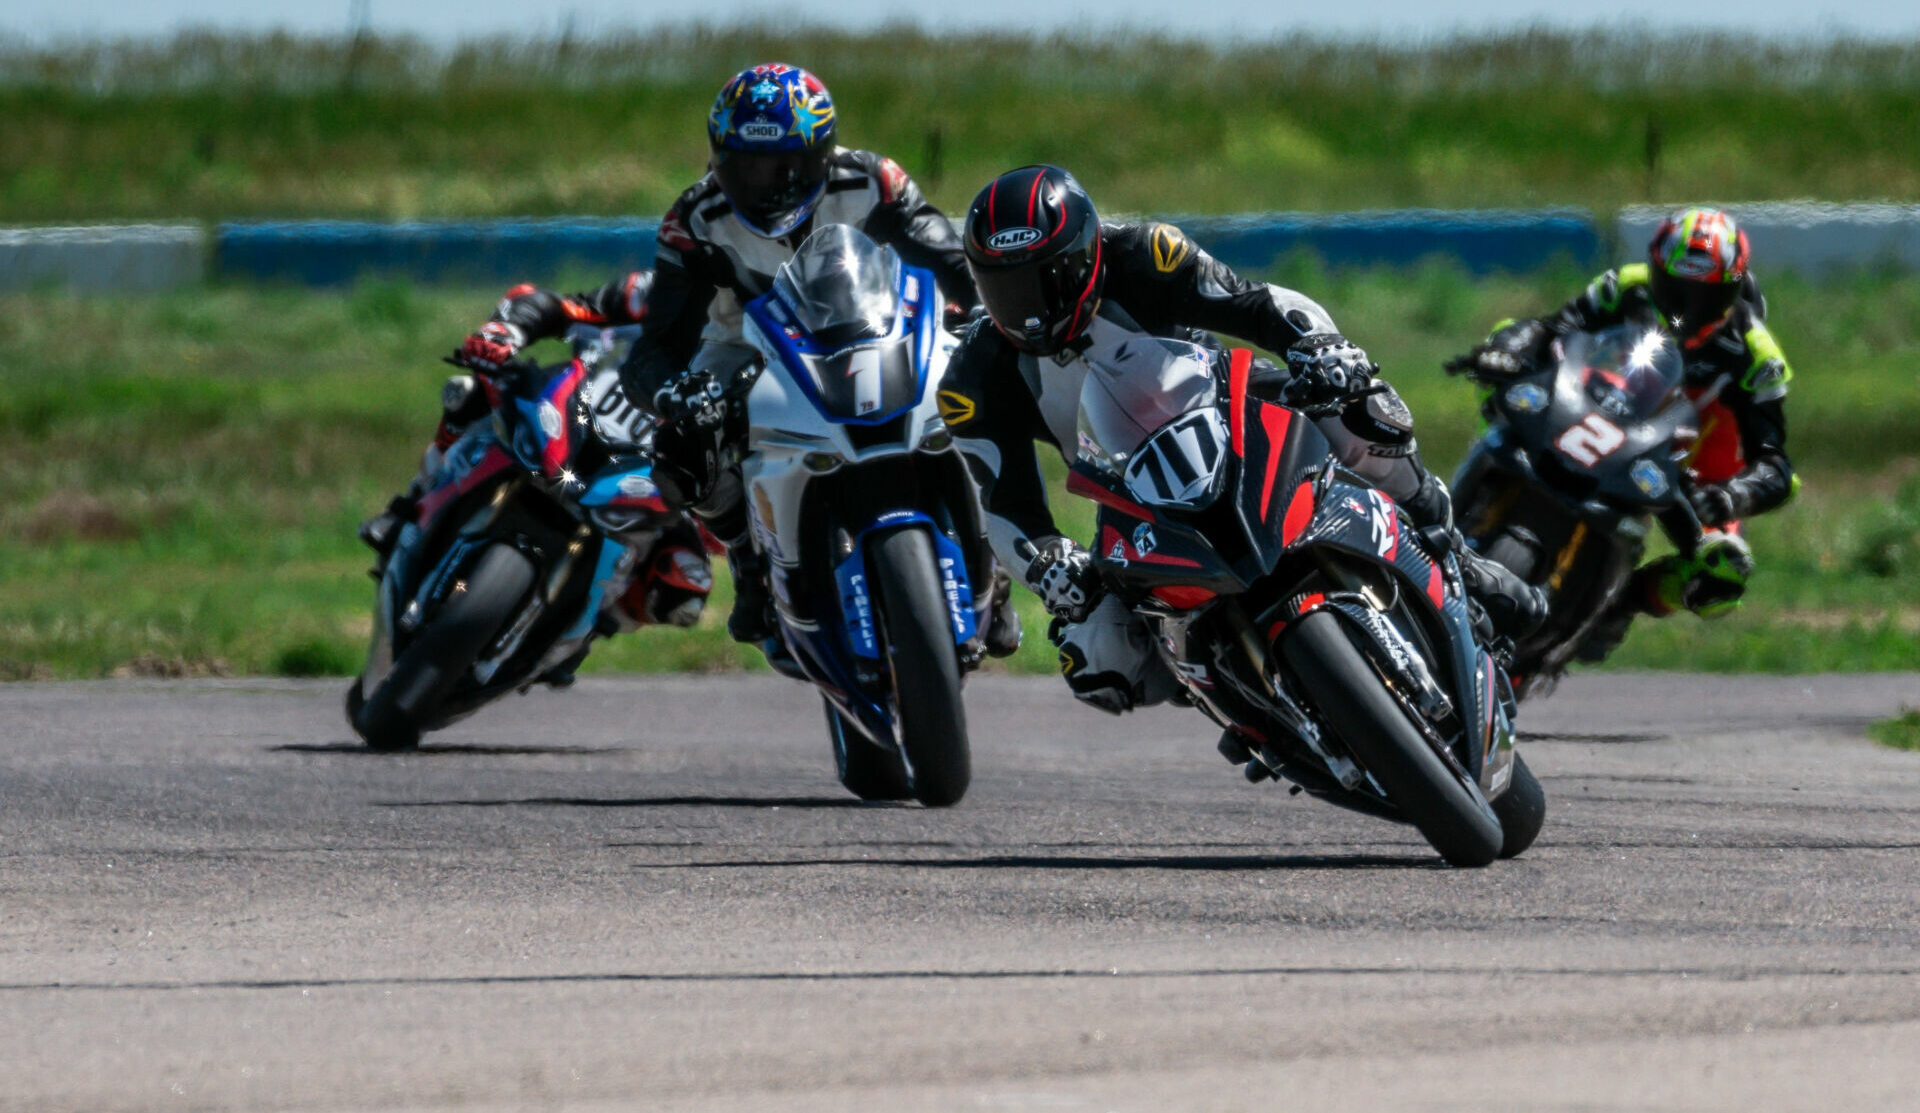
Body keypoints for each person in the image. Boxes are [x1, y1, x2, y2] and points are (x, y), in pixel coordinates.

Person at [940, 164, 1545, 717]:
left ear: (1085, 254)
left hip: (1232, 409)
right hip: (1132, 490)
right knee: (1098, 660)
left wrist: (1321, 348)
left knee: (1364, 415)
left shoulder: (1148, 253)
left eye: (1046, 282)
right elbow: (1003, 505)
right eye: (1006, 290)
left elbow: (1259, 302)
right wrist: (1047, 564)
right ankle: (1242, 704)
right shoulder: (972, 379)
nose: (1030, 311)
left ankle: (1455, 557)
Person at [614, 62, 1018, 657]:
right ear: (718, 156)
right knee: (681, 443)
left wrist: (988, 316)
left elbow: (953, 262)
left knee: (980, 383)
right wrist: (673, 391)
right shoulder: (694, 220)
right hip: (748, 347)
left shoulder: (872, 181)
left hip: (875, 321)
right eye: (744, 165)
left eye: (783, 165)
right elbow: (654, 346)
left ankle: (997, 559)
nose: (762, 182)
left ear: (820, 153)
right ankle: (751, 562)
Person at [1448, 206, 1795, 652]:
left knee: (1724, 572)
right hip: (1608, 408)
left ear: (1730, 292)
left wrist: (1732, 494)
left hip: (1703, 463)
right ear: (1655, 270)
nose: (1685, 311)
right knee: (1506, 353)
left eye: (1703, 297)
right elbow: (1555, 329)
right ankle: (1457, 503)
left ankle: (1622, 605)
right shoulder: (1625, 287)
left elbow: (1777, 468)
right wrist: (1509, 349)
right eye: (1675, 290)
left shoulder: (1758, 358)